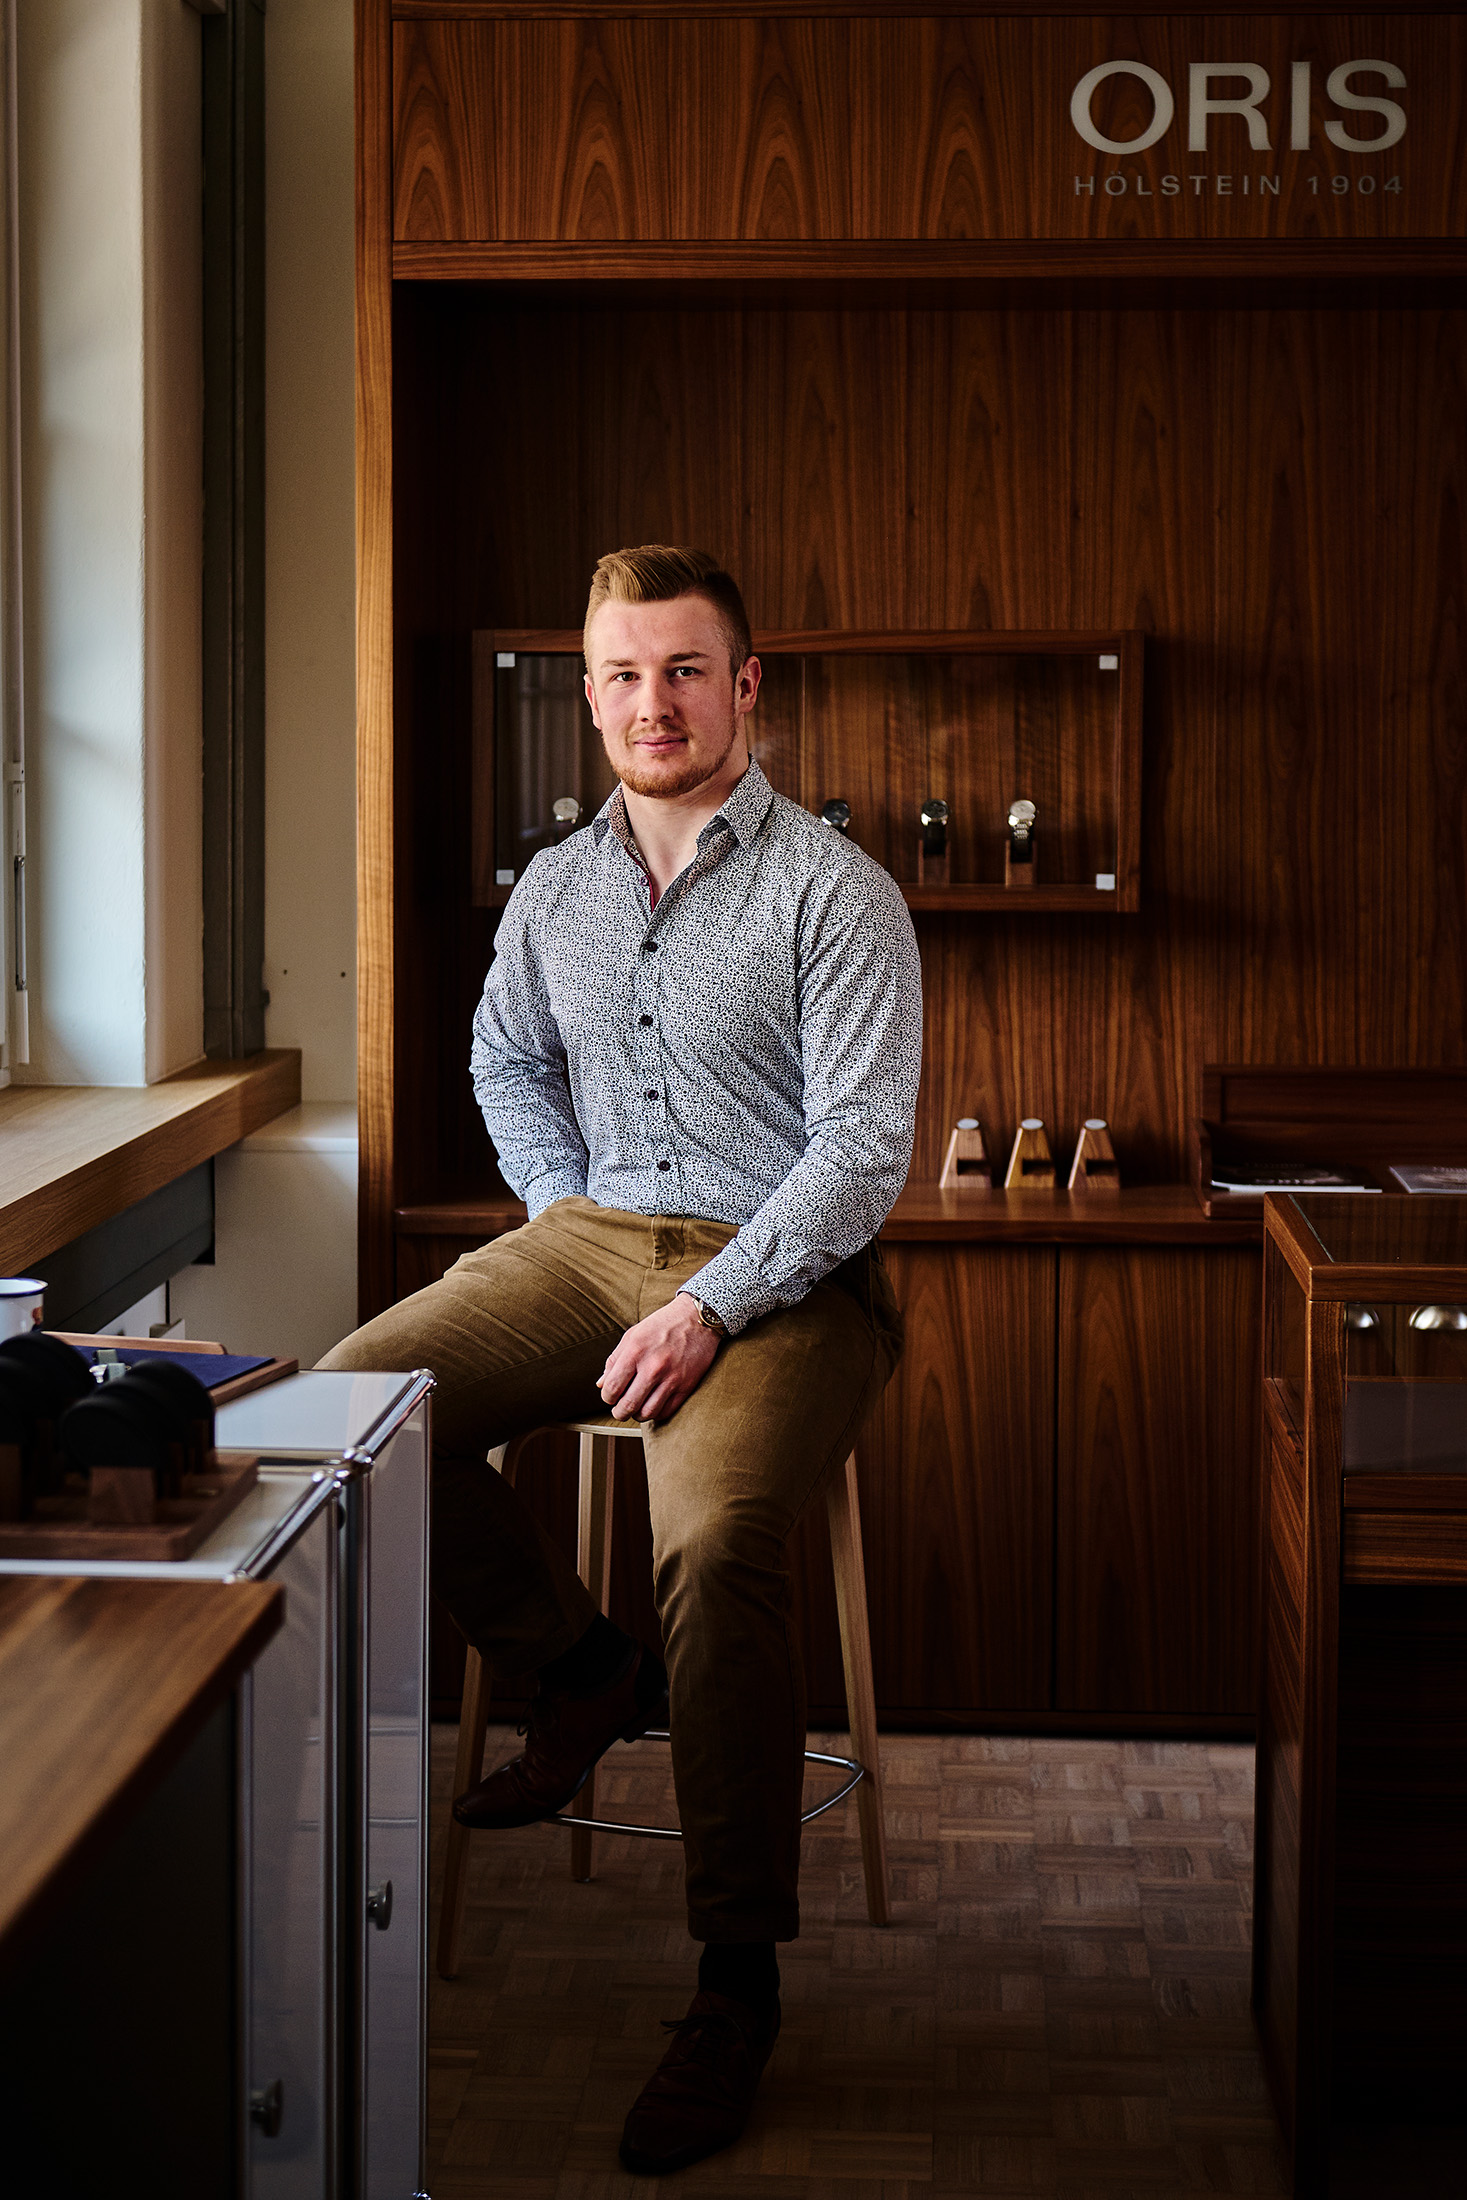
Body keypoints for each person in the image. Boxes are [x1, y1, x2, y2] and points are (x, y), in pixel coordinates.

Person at [322, 545, 922, 2173]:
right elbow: (499, 1052)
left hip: (787, 1274)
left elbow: (865, 1153)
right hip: (588, 1239)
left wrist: (713, 1302)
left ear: (748, 687)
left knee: (719, 1546)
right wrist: (554, 1212)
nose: (652, 703)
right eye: (621, 675)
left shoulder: (833, 889)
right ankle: (581, 1671)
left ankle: (734, 1982)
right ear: (586, 697)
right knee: (342, 1421)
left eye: (683, 670)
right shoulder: (558, 887)